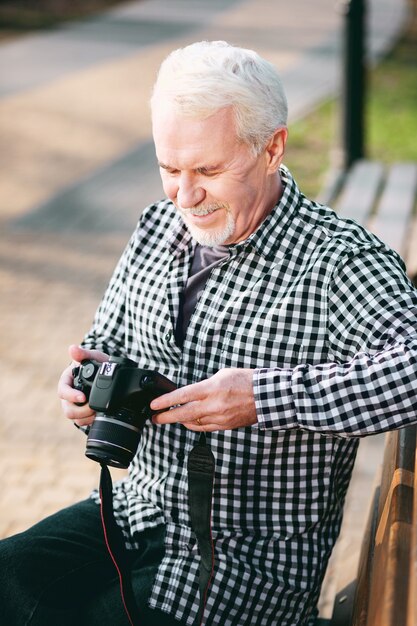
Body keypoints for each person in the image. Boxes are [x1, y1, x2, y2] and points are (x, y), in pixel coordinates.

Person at [1, 40, 417, 626]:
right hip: (134, 510)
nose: (185, 195)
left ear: (272, 148)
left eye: (209, 170)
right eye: (170, 168)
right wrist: (81, 388)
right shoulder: (156, 225)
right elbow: (107, 341)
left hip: (247, 562)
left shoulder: (339, 261)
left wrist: (263, 398)